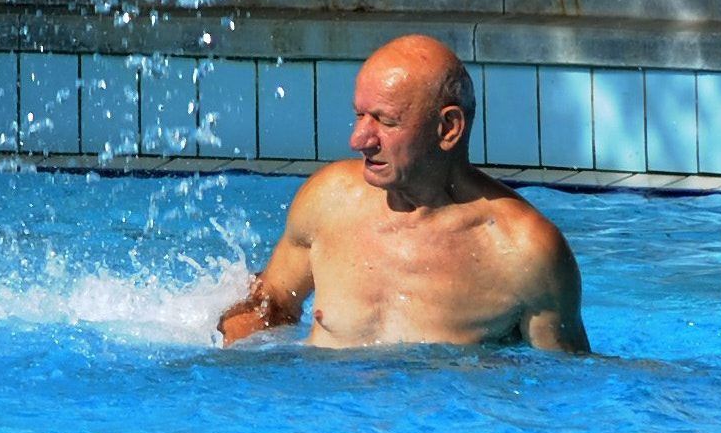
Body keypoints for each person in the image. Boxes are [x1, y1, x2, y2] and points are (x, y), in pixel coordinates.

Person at [217, 35, 588, 353]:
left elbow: (565, 389)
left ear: (448, 128)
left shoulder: (524, 252)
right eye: (359, 116)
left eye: (386, 122)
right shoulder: (330, 199)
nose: (358, 140)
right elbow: (269, 307)